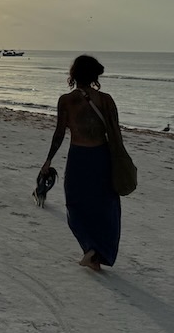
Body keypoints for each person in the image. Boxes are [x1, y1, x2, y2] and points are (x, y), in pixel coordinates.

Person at [40, 54, 122, 271]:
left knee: (75, 204)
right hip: (102, 157)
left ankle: (90, 250)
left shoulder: (67, 101)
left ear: (73, 74)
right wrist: (119, 160)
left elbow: (59, 134)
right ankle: (98, 253)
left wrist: (48, 160)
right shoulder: (106, 99)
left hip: (79, 157)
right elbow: (116, 134)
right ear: (95, 75)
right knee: (106, 207)